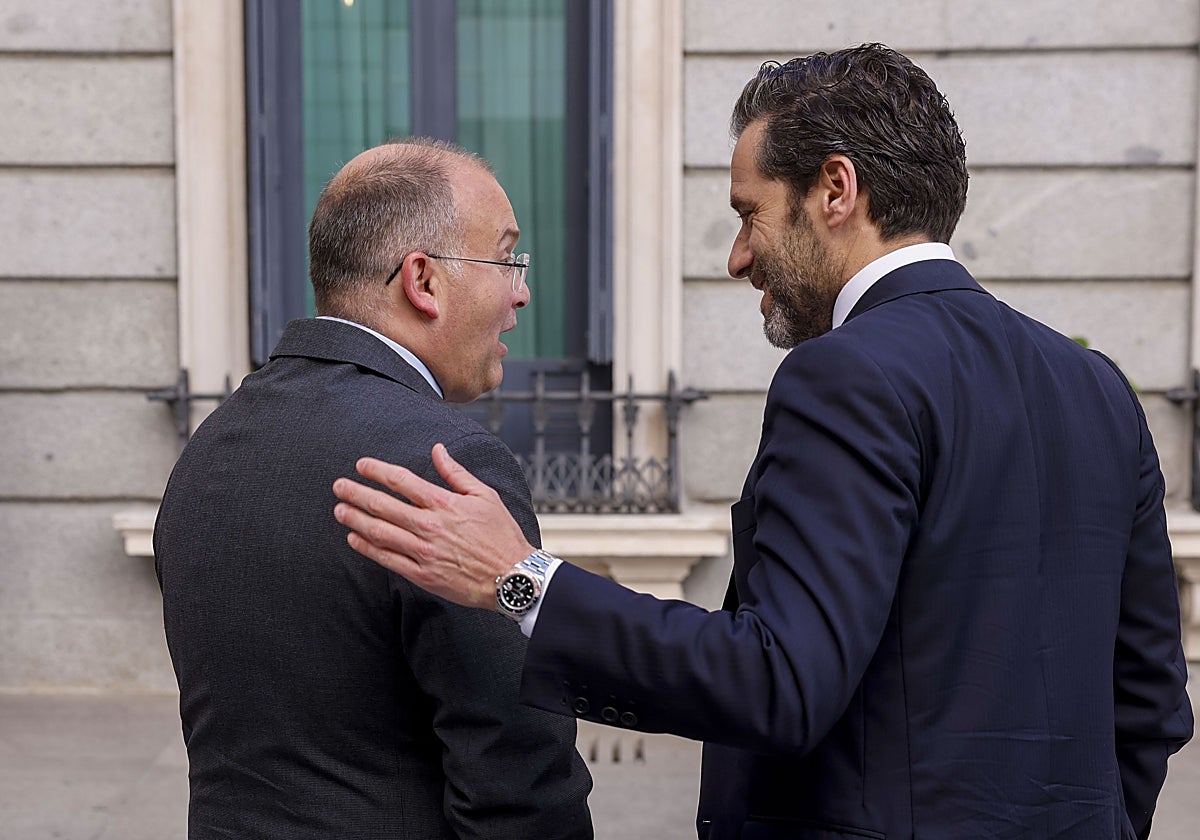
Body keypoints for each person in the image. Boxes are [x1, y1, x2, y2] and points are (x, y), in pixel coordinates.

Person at [330, 46, 1193, 839]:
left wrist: (520, 581)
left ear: (835, 190)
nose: (739, 256)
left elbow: (779, 681)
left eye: (751, 213)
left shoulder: (844, 375)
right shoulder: (1100, 390)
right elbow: (1152, 703)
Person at [154, 138, 593, 839]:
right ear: (423, 281)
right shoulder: (447, 465)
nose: (522, 290)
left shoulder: (212, 445)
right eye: (507, 255)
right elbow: (519, 780)